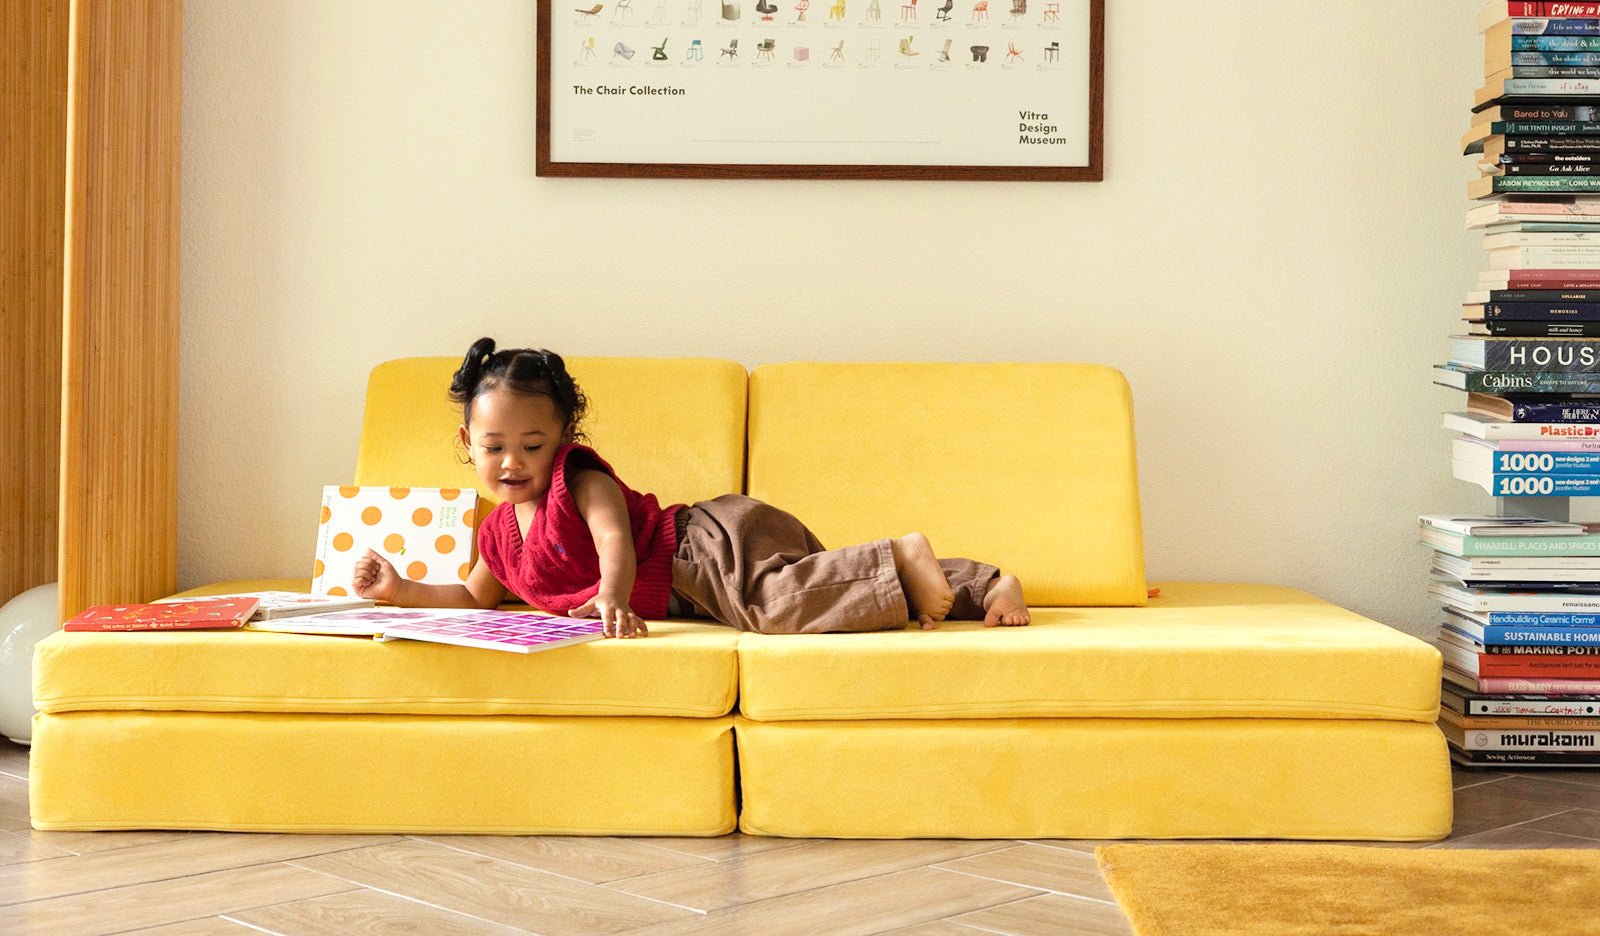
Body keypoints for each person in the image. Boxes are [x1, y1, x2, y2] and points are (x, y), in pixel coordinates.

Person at [352, 337, 1032, 638]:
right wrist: (396, 588)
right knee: (816, 588)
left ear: (561, 438)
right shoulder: (498, 537)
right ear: (468, 443)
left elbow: (615, 541)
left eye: (532, 446)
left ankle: (897, 553)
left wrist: (611, 597)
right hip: (694, 589)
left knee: (774, 607)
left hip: (700, 549)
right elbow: (468, 598)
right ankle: (983, 583)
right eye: (495, 448)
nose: (512, 463)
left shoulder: (577, 481)